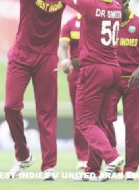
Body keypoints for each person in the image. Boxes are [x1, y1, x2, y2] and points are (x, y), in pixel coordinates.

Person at [59, 0, 124, 181]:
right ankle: (93, 170)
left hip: (93, 70)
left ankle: (112, 156)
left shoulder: (88, 7)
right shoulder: (116, 6)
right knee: (100, 122)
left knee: (85, 122)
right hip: (113, 70)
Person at [4, 0, 68, 181]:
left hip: (47, 58)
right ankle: (23, 155)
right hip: (21, 55)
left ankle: (48, 166)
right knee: (11, 106)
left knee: (46, 114)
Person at [104, 0, 139, 180]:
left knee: (133, 126)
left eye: (118, 8)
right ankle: (113, 160)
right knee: (105, 120)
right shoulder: (108, 23)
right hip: (111, 81)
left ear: (127, 5)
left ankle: (131, 169)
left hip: (133, 81)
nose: (114, 12)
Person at [59, 13, 89, 169]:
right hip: (76, 74)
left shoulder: (95, 19)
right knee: (79, 114)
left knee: (98, 115)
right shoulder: (70, 24)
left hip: (94, 71)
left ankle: (101, 153)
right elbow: (63, 47)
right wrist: (64, 61)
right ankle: (83, 156)